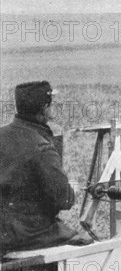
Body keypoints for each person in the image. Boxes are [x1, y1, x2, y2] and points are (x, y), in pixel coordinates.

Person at [0, 81, 91, 257]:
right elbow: (64, 201)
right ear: (44, 108)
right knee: (86, 243)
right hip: (29, 235)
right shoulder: (42, 148)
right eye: (51, 104)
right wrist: (73, 187)